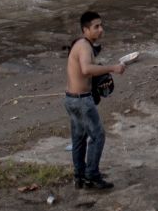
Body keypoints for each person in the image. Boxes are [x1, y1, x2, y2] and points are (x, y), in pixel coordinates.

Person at [64, 10, 126, 191]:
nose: (101, 30)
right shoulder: (84, 46)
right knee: (98, 136)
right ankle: (92, 176)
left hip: (71, 99)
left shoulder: (80, 44)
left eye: (101, 25)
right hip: (82, 101)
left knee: (79, 139)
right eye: (96, 27)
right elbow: (85, 69)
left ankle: (79, 177)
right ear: (85, 29)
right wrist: (113, 68)